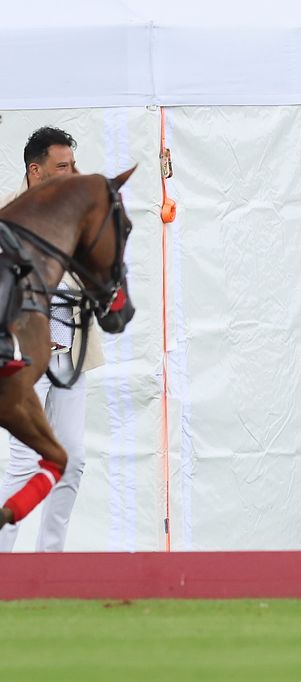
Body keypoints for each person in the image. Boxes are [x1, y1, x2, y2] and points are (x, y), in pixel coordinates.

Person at [0, 126, 104, 552]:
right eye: (64, 166)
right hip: (23, 360)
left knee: (73, 459)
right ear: (36, 171)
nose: (73, 173)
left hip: (70, 357)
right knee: (24, 462)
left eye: (74, 165)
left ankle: (51, 563)